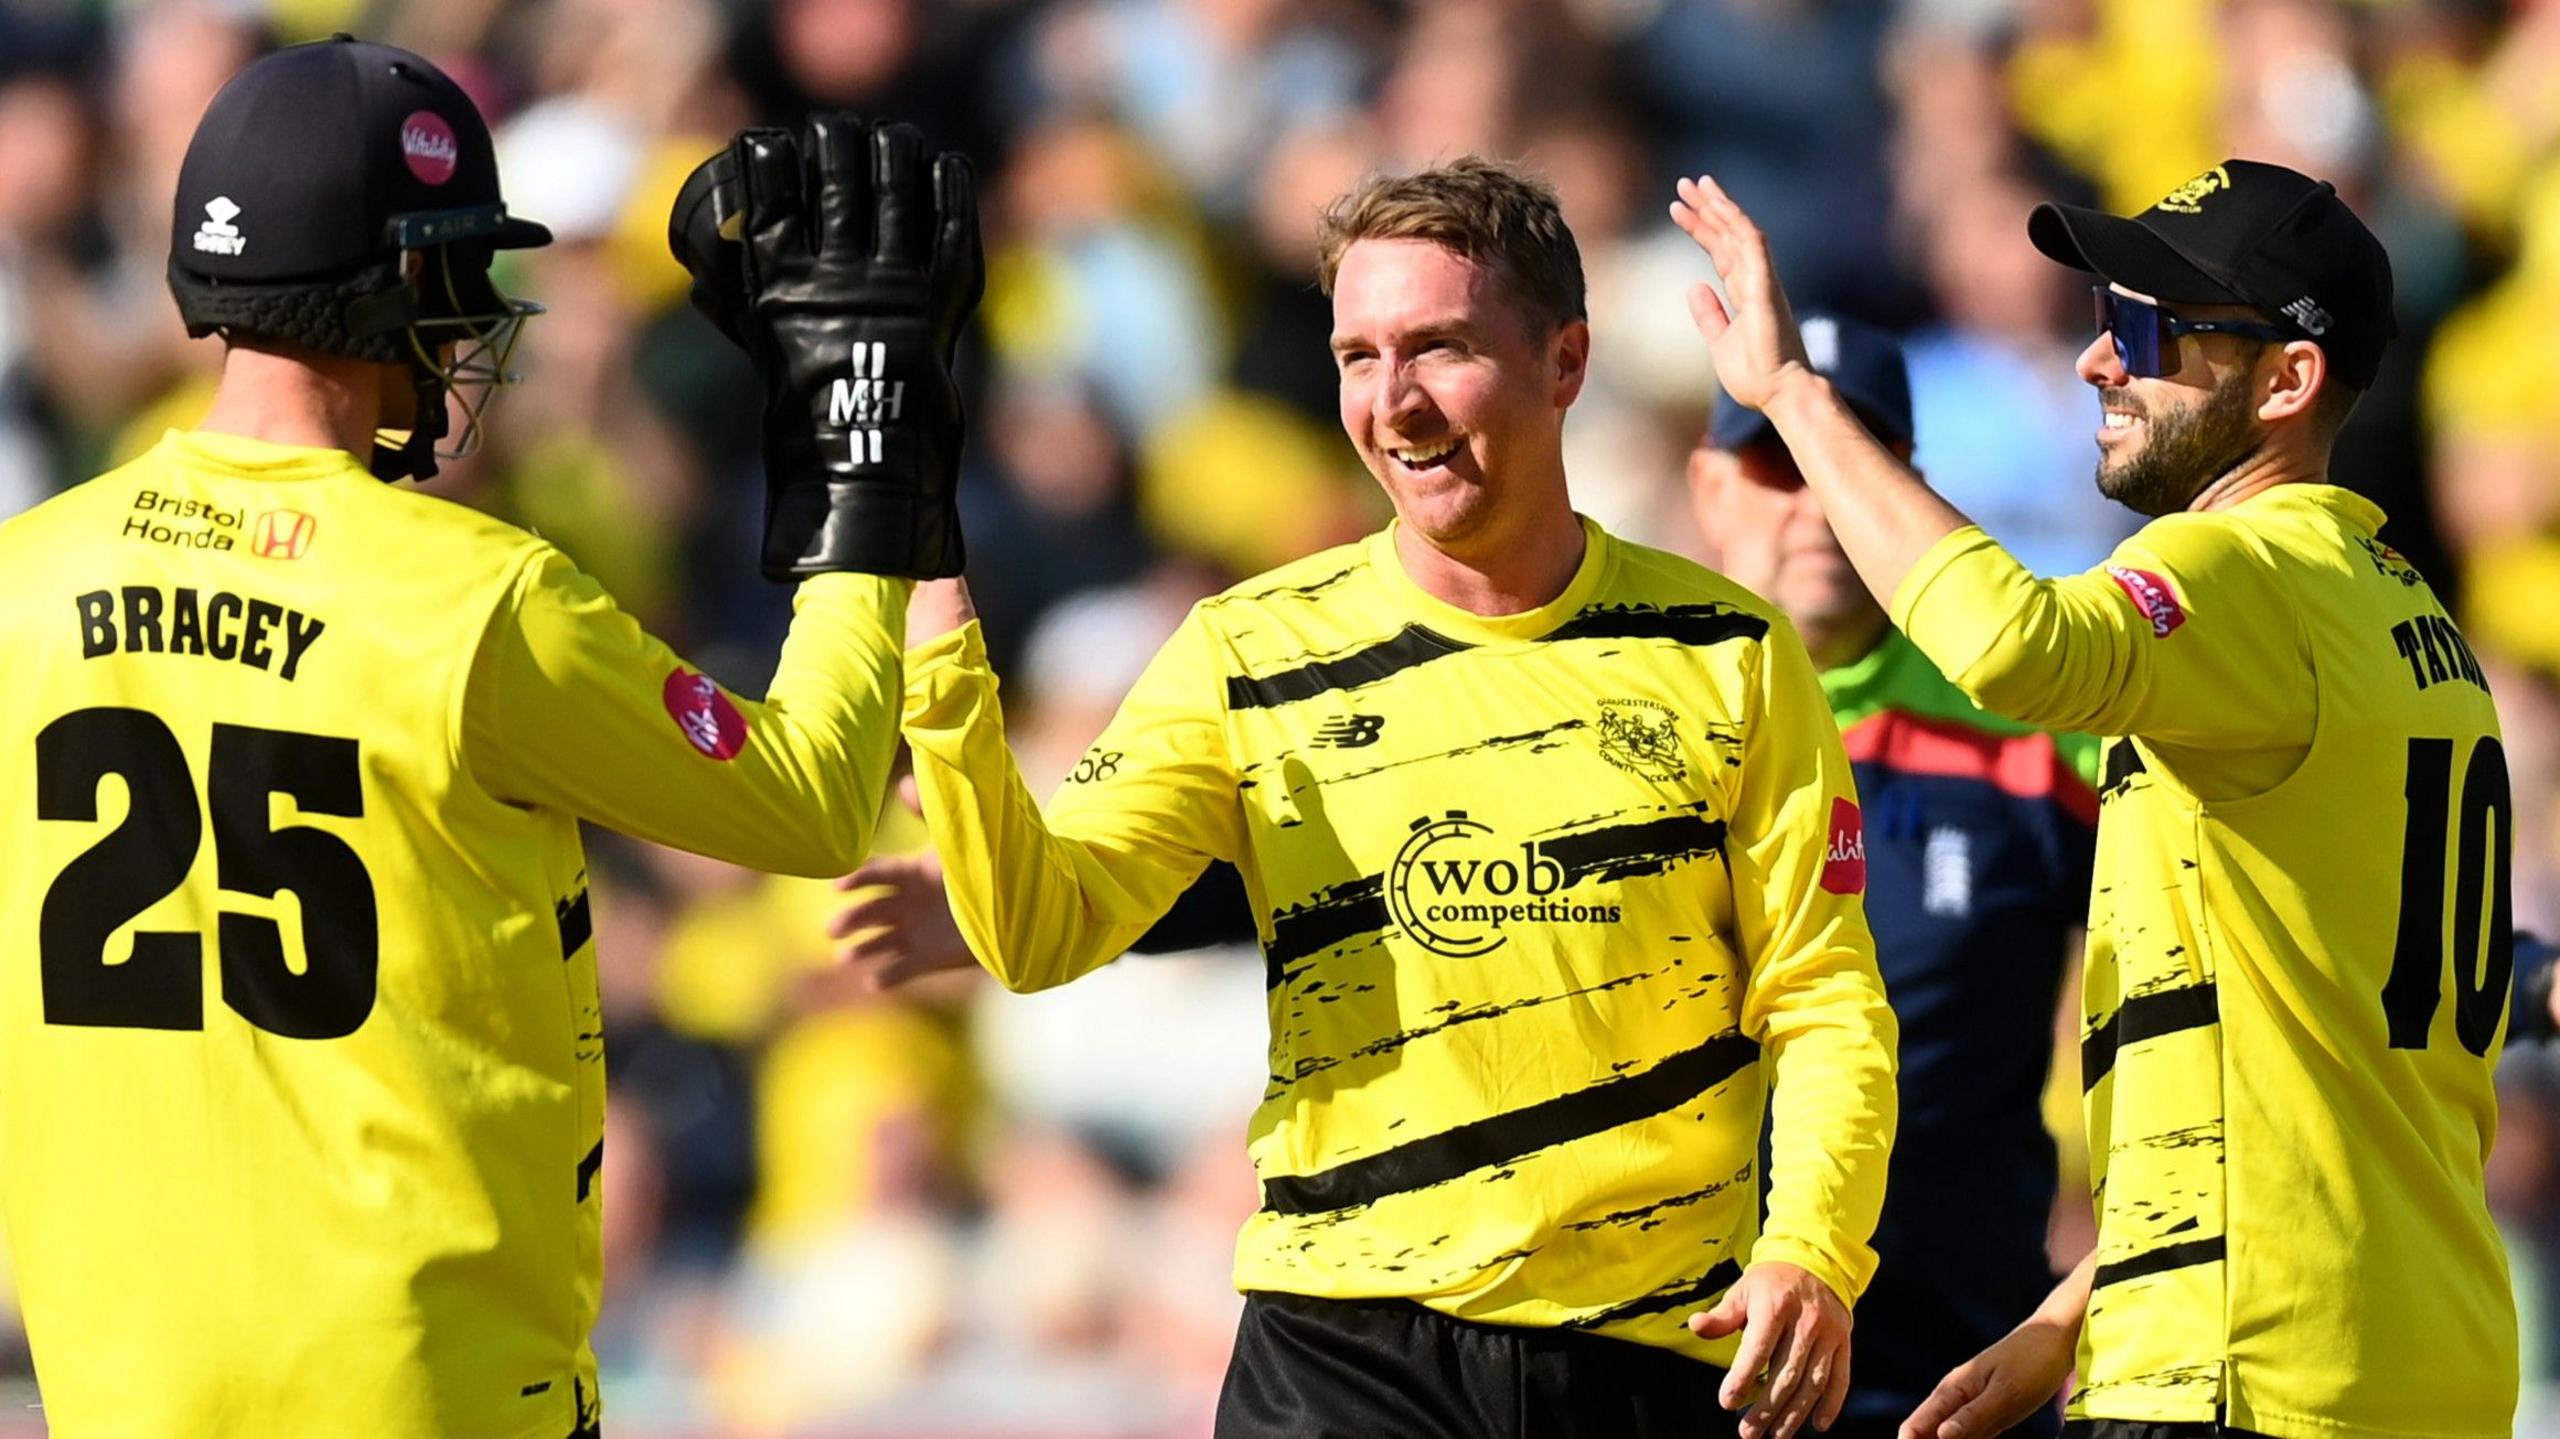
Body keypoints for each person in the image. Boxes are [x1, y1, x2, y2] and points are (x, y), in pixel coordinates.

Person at [0, 36, 979, 1439]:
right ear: (402, 282)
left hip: (116, 1390)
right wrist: (863, 458)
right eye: (457, 272)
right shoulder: (475, 599)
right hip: (430, 1384)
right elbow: (817, 801)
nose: (473, 319)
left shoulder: (20, 577)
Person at [845, 156, 1898, 1439]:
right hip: (1342, 1347)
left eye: (1439, 348)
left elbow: (1824, 992)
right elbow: (1037, 928)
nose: (1391, 403)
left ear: (1565, 361)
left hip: (1650, 1353)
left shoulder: (1725, 650)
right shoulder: (1245, 648)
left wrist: (1814, 1248)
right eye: (1357, 355)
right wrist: (940, 636)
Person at [1670, 161, 2516, 1439]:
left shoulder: (2239, 567)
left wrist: (1789, 393)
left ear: (2286, 381)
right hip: (2416, 1345)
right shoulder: (2402, 614)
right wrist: (2069, 1318)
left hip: (2249, 1368)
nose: (2094, 365)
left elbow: (2013, 645)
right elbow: (2300, 1058)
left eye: (2143, 331)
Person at [1687, 313, 2098, 1439]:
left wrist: (2516, 977)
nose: (1815, 503)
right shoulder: (1625, 721)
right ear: (1705, 486)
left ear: (1899, 488)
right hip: (1674, 1368)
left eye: (1844, 462)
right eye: (1777, 459)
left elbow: (2247, 906)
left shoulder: (2033, 728)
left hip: (1953, 1377)